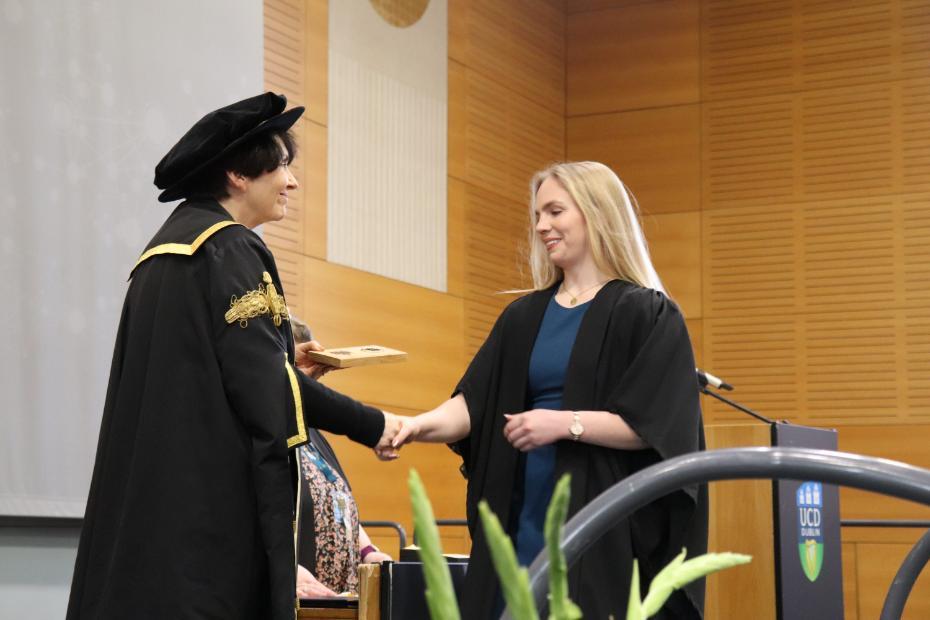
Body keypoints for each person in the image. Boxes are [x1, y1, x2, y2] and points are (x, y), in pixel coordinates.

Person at [67, 93, 401, 620]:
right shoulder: (230, 247)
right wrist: (374, 423)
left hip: (157, 523)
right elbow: (266, 385)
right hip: (209, 534)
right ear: (239, 175)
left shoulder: (162, 255)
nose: (291, 182)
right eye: (283, 167)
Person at [393, 161, 708, 618]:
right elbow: (473, 406)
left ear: (596, 213)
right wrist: (414, 425)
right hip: (520, 513)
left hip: (602, 526)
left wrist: (563, 423)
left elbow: (655, 425)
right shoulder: (523, 317)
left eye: (555, 211)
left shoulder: (647, 314)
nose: (542, 226)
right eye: (538, 215)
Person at [288, 317, 392, 599]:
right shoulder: (264, 434)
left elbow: (340, 501)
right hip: (294, 591)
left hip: (334, 595)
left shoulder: (314, 434)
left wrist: (368, 552)